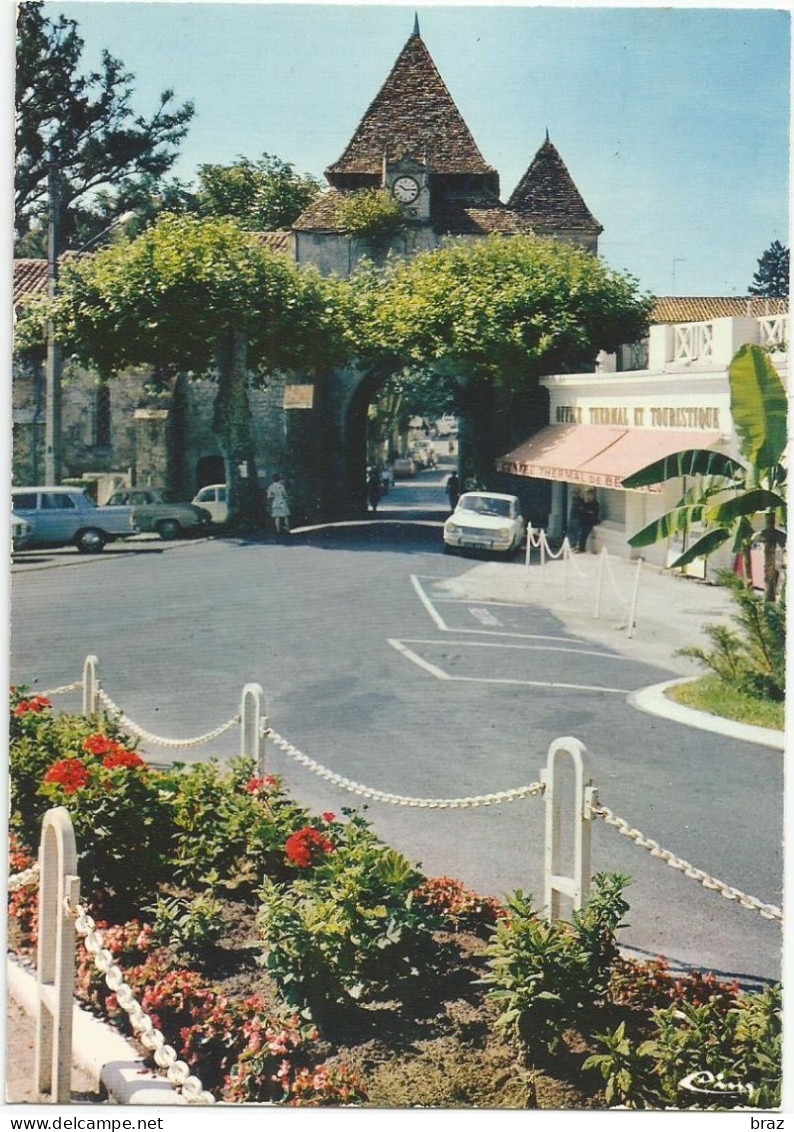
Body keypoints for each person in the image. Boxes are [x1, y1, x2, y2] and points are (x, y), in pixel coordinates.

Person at [576, 487, 600, 553]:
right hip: (584, 521)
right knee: (581, 533)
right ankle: (579, 546)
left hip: (590, 521)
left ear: (593, 495)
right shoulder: (586, 503)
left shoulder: (595, 503)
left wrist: (586, 511)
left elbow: (592, 512)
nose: (588, 496)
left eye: (589, 495)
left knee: (584, 534)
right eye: (587, 495)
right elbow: (581, 510)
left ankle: (581, 548)